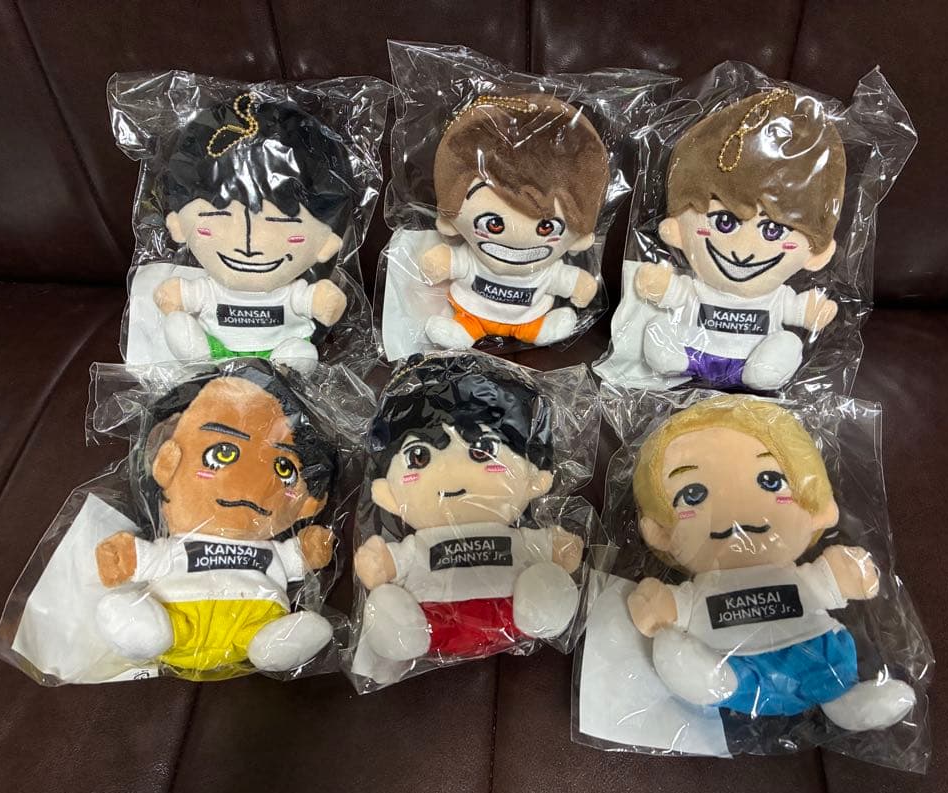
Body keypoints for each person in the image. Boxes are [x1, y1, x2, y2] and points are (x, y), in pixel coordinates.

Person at [627, 395, 916, 731]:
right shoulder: (704, 587)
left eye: (770, 481)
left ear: (817, 510)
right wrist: (661, 606)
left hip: (811, 649)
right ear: (661, 532)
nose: (737, 509)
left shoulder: (799, 577)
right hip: (730, 664)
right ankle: (713, 682)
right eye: (693, 494)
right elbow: (676, 606)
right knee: (689, 660)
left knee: (832, 664)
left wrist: (846, 573)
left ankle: (845, 700)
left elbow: (829, 582)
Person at [93, 360, 338, 680]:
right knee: (146, 623)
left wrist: (308, 549)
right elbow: (145, 558)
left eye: (283, 468)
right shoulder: (177, 544)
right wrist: (123, 556)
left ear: (306, 503)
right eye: (222, 453)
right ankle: (147, 633)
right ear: (166, 464)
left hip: (253, 624)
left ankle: (271, 645)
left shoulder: (269, 547)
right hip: (176, 618)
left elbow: (295, 558)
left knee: (268, 636)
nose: (250, 483)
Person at [353, 354, 583, 665]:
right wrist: (381, 563)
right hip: (433, 624)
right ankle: (402, 631)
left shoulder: (516, 536)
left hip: (512, 613)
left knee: (546, 583)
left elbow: (548, 548)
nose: (450, 474)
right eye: (419, 456)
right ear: (388, 494)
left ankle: (543, 607)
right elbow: (391, 563)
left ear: (534, 479)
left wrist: (556, 548)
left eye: (484, 450)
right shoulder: (418, 545)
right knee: (387, 606)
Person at [635, 89, 845, 390]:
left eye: (772, 231)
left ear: (815, 254)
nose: (744, 251)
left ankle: (765, 371)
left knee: (786, 341)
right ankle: (670, 357)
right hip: (690, 355)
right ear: (676, 231)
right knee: (658, 328)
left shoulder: (777, 297)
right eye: (724, 221)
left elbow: (795, 310)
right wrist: (663, 286)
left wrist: (809, 311)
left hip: (749, 365)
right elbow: (678, 292)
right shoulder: (697, 286)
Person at [150, 93, 356, 370]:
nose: (248, 246)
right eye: (219, 217)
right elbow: (184, 296)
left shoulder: (291, 292)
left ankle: (285, 370)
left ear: (327, 244)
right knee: (180, 327)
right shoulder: (209, 289)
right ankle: (200, 361)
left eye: (281, 224)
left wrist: (322, 301)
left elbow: (314, 302)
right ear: (178, 226)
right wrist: (177, 295)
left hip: (279, 353)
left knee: (298, 354)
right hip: (216, 350)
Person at [419, 94, 609, 348]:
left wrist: (580, 286)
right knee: (463, 326)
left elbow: (566, 279)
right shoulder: (472, 257)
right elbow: (456, 262)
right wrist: (442, 262)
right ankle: (465, 330)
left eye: (546, 227)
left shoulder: (547, 271)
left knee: (539, 326)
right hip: (471, 311)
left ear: (579, 239)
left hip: (530, 317)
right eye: (493, 224)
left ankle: (537, 330)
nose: (518, 235)